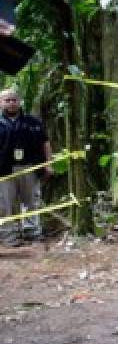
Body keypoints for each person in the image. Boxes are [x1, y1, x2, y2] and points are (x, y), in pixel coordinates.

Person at [0, 88, 52, 246]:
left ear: (19, 101)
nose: (11, 103)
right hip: (4, 170)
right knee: (4, 203)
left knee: (31, 200)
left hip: (30, 167)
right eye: (7, 100)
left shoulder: (33, 122)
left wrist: (48, 165)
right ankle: (7, 236)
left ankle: (32, 232)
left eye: (14, 99)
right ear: (1, 103)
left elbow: (46, 144)